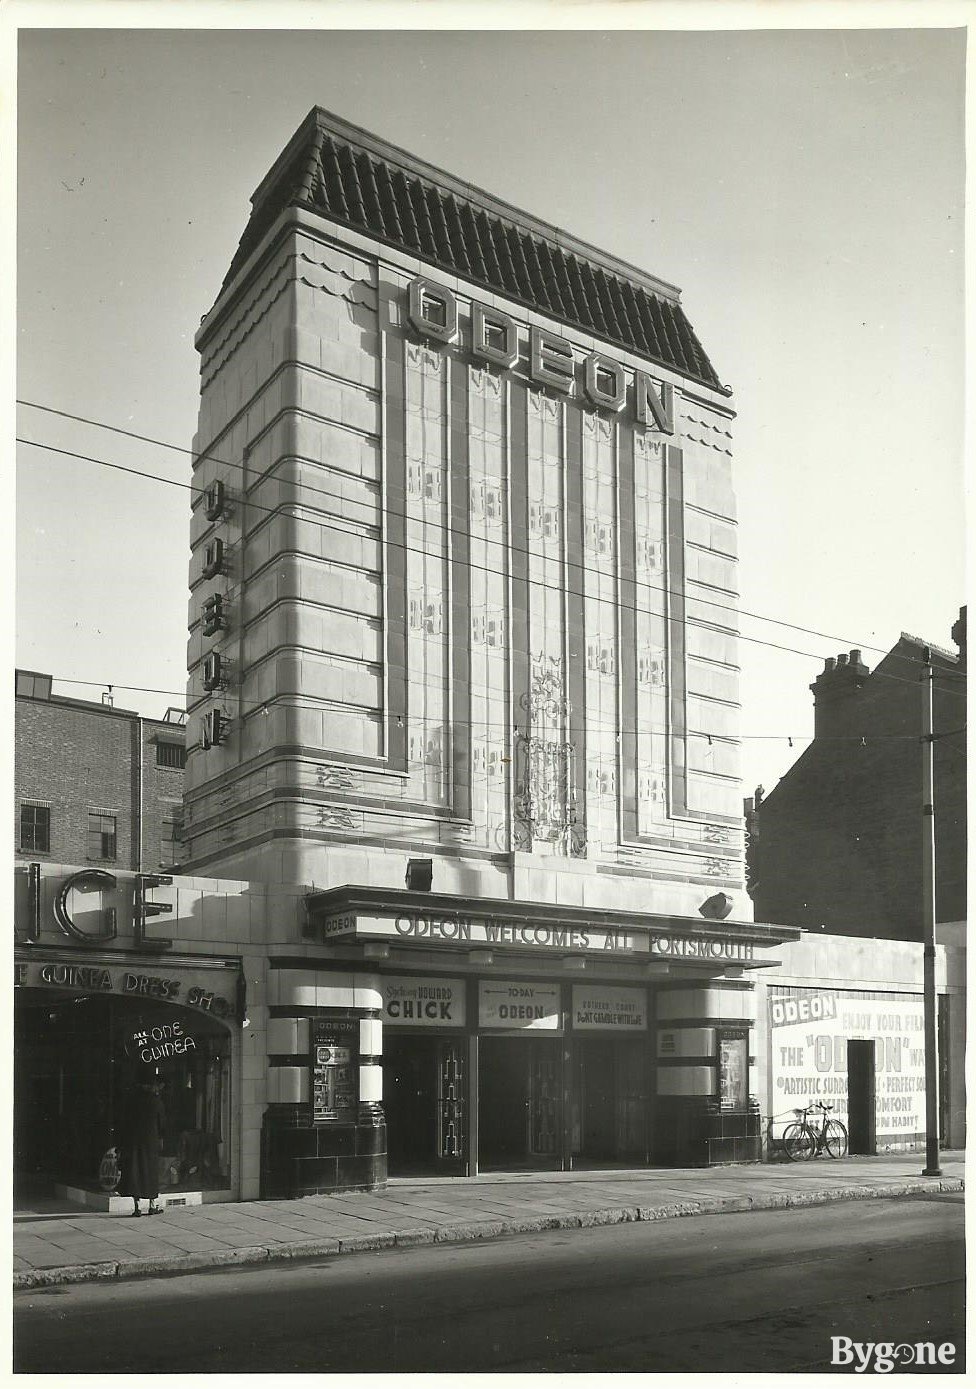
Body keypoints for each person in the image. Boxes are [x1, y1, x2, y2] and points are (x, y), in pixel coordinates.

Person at [118, 1077, 165, 1216]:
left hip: (134, 1141)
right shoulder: (156, 1102)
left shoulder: (132, 1103)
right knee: (151, 1172)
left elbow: (124, 1121)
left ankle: (137, 1207)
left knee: (136, 1172)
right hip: (151, 1141)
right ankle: (152, 1205)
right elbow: (162, 1124)